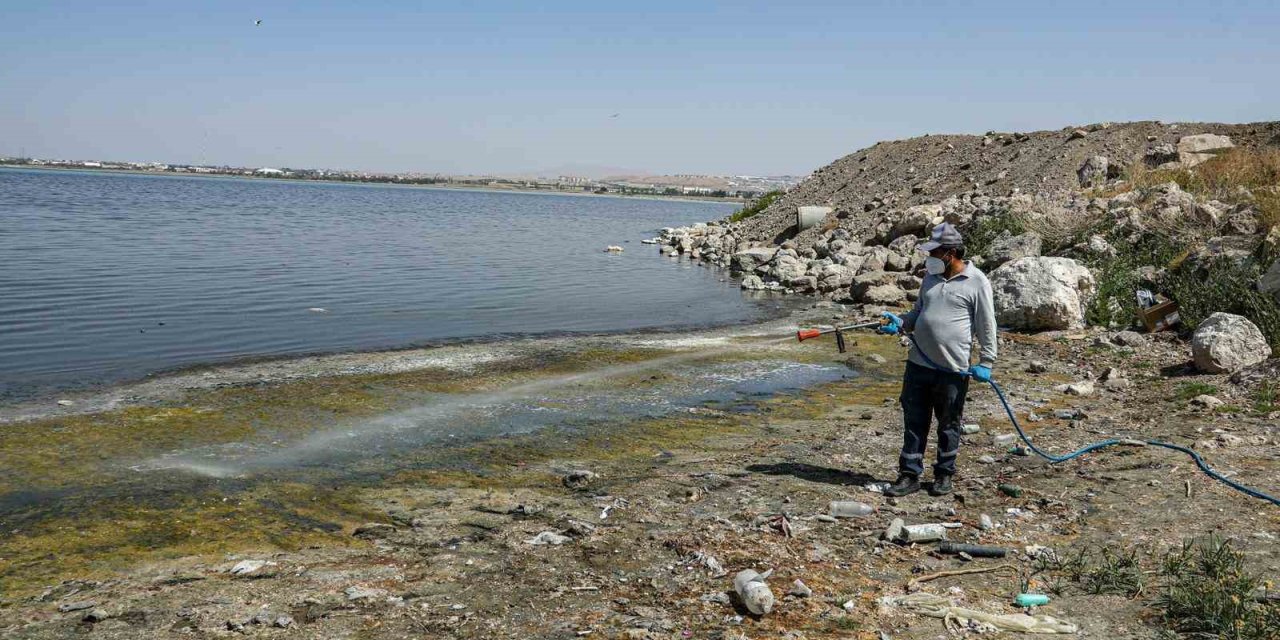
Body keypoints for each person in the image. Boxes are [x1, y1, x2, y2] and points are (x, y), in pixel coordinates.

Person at [876, 223, 997, 497]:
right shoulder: (930, 278)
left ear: (951, 253)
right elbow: (918, 311)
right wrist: (902, 323)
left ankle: (944, 474)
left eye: (935, 252)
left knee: (949, 422)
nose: (929, 257)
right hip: (918, 364)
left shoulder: (977, 282)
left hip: (952, 369)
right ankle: (909, 475)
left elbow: (987, 325)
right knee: (914, 421)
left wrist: (986, 362)